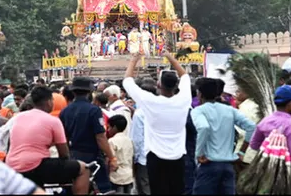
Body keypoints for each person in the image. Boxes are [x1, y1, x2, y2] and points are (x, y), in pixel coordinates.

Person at [122, 51, 191, 195]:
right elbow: (185, 76)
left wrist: (134, 60)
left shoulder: (150, 101)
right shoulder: (184, 100)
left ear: (158, 84)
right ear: (176, 85)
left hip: (155, 158)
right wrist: (171, 58)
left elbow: (127, 81)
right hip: (178, 156)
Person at [8, 86, 89, 193]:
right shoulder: (53, 121)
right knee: (83, 169)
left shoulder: (18, 117)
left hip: (12, 165)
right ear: (49, 101)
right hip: (35, 166)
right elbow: (64, 154)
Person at [189, 78, 257, 195]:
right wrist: (241, 153)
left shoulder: (198, 111)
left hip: (208, 165)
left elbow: (203, 128)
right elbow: (251, 127)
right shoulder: (230, 110)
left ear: (199, 94)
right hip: (228, 165)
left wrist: (199, 154)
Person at [246, 85, 291, 191]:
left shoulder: (265, 121)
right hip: (287, 179)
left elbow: (254, 144)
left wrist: (273, 152)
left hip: (266, 174)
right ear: (290, 103)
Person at [59, 76, 115, 194]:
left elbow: (64, 138)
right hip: (92, 157)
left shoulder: (65, 111)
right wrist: (112, 157)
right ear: (90, 91)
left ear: (73, 92)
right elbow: (100, 137)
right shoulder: (94, 110)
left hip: (73, 157)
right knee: (102, 190)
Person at [107, 115, 134, 194]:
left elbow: (110, 159)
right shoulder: (129, 140)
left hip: (117, 176)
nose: (108, 130)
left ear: (114, 127)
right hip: (128, 175)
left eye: (109, 127)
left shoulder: (112, 141)